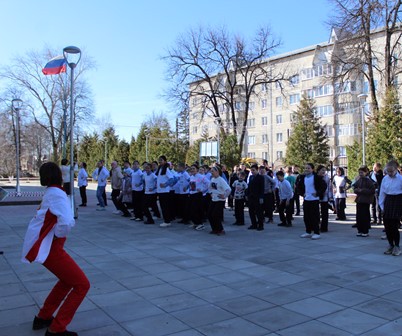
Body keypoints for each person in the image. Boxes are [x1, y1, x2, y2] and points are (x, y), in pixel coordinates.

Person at [21, 162, 90, 336]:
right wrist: (59, 235)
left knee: (67, 281)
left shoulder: (51, 193)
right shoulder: (58, 194)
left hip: (49, 245)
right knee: (82, 285)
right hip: (52, 246)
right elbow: (65, 222)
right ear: (59, 175)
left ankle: (43, 317)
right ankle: (57, 329)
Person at [296, 163, 326, 240]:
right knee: (306, 217)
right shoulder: (302, 177)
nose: (307, 169)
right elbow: (298, 187)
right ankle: (308, 231)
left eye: (308, 168)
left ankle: (316, 232)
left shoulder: (316, 177)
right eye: (305, 168)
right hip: (306, 200)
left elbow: (324, 186)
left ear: (312, 169)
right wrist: (303, 194)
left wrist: (318, 193)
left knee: (314, 217)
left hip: (314, 200)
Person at [379, 160, 402, 256]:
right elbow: (382, 193)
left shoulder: (400, 179)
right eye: (388, 171)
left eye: (391, 171)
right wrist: (381, 205)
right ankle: (390, 245)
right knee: (387, 225)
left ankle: (397, 246)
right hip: (388, 201)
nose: (390, 173)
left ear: (396, 169)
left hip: (397, 201)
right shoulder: (385, 179)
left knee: (394, 226)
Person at [208, 166, 231, 235]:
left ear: (217, 172)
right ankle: (214, 229)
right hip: (213, 199)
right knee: (209, 214)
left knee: (215, 215)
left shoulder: (221, 180)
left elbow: (228, 189)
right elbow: (210, 188)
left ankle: (220, 230)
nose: (211, 173)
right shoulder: (212, 179)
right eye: (211, 171)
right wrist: (211, 193)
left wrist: (224, 195)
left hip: (220, 200)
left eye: (212, 171)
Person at [353, 166, 375, 237]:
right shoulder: (359, 180)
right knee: (359, 216)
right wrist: (357, 190)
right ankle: (359, 230)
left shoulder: (369, 181)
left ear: (366, 172)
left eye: (362, 172)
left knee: (365, 216)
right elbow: (354, 187)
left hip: (365, 201)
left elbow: (372, 190)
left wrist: (362, 190)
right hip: (359, 200)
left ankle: (365, 230)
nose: (360, 174)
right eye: (359, 172)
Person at [156, 155, 175, 227]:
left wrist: (165, 184)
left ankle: (167, 221)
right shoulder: (160, 168)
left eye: (161, 160)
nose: (160, 161)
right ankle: (166, 220)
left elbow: (172, 178)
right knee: (162, 206)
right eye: (159, 160)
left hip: (165, 191)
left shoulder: (166, 169)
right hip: (160, 191)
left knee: (165, 207)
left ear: (165, 161)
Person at [246, 164, 265, 231]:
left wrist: (261, 197)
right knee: (251, 211)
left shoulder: (261, 177)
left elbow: (262, 188)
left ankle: (260, 225)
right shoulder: (251, 177)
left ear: (257, 170)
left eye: (253, 170)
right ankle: (253, 224)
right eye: (251, 170)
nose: (252, 171)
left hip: (257, 197)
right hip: (251, 197)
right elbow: (249, 186)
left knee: (258, 212)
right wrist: (247, 194)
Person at [316, 165, 334, 232]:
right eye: (322, 170)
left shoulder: (327, 178)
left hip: (325, 197)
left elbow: (329, 188)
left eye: (324, 170)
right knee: (316, 212)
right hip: (316, 197)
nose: (323, 171)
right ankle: (316, 225)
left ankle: (324, 227)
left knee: (324, 213)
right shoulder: (316, 177)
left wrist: (330, 197)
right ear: (318, 171)